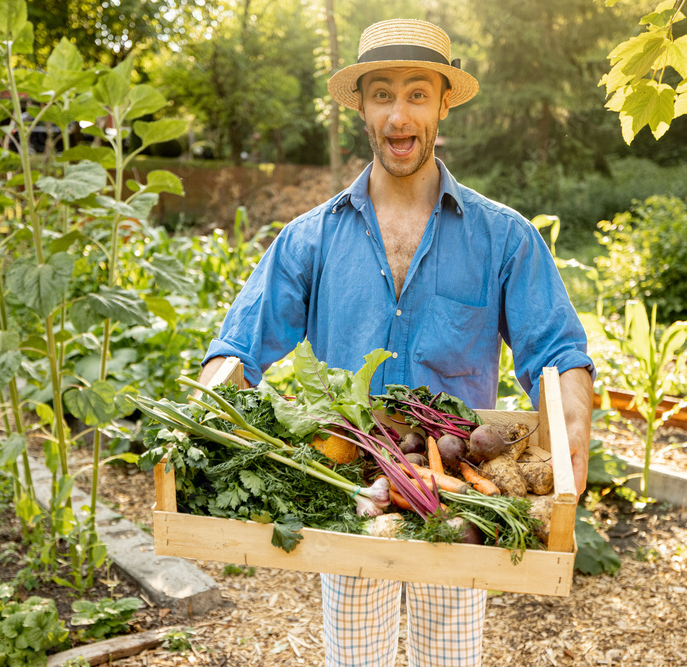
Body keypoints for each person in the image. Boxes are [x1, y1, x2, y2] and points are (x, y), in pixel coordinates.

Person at [199, 17, 595, 667]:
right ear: (360, 106)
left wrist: (573, 413)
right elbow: (237, 350)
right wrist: (216, 403)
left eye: (417, 93)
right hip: (350, 490)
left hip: (462, 491)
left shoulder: (504, 237)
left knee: (449, 659)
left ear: (444, 103)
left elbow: (556, 350)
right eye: (382, 93)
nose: (398, 113)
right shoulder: (310, 239)